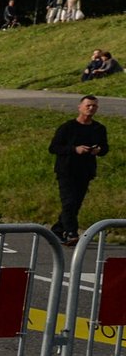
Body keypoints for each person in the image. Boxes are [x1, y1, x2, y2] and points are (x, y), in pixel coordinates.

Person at [51, 95, 109, 244]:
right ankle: (71, 233)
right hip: (66, 170)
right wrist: (74, 149)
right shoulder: (68, 127)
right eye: (88, 105)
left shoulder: (99, 128)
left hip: (85, 171)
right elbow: (54, 147)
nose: (91, 108)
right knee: (69, 202)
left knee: (75, 203)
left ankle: (58, 229)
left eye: (94, 106)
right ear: (80, 107)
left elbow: (105, 148)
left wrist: (98, 150)